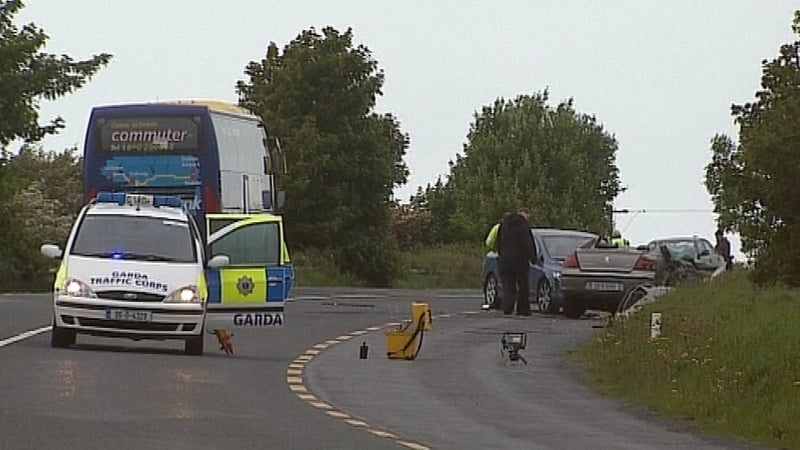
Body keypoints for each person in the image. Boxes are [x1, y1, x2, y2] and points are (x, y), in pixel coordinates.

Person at [496, 207, 537, 316]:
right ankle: (523, 309)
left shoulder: (504, 224)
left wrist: (501, 254)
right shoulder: (523, 225)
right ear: (525, 214)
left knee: (508, 284)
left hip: (505, 259)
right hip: (520, 260)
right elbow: (527, 242)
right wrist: (533, 257)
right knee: (523, 285)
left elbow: (499, 241)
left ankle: (507, 307)